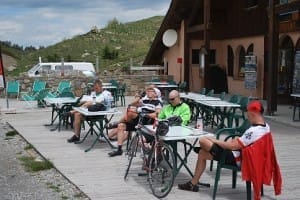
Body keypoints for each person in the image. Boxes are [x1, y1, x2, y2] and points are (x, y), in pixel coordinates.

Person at [178, 100, 270, 192]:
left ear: (253, 114)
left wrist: (215, 140)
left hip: (239, 158)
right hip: (243, 155)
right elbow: (245, 142)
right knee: (202, 153)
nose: (247, 118)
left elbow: (231, 146)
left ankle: (207, 148)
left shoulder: (254, 131)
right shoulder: (265, 127)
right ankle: (192, 184)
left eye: (248, 115)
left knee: (203, 140)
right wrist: (239, 139)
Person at [107, 86, 163, 157]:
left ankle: (117, 122)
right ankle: (119, 149)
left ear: (156, 94)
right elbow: (131, 104)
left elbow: (157, 113)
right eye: (147, 91)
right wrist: (139, 97)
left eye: (150, 91)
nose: (148, 92)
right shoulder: (145, 100)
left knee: (131, 112)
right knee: (121, 125)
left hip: (146, 120)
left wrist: (146, 114)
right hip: (138, 120)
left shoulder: (158, 102)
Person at [67, 79, 111, 143]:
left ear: (101, 87)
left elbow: (99, 102)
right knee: (77, 115)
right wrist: (84, 100)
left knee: (89, 103)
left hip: (98, 114)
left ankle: (73, 111)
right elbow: (90, 100)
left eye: (97, 88)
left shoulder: (105, 94)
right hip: (89, 112)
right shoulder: (93, 93)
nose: (95, 89)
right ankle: (76, 136)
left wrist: (90, 102)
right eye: (94, 88)